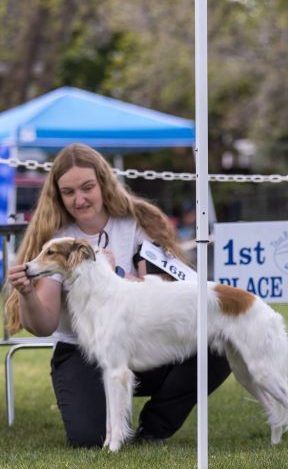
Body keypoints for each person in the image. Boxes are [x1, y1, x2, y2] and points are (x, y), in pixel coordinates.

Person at [4, 143, 231, 448]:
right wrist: (27, 293)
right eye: (69, 192)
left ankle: (153, 428)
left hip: (140, 339)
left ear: (103, 182)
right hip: (81, 352)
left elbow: (169, 286)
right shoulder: (56, 240)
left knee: (218, 349)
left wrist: (119, 275)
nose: (80, 199)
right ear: (58, 194)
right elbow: (43, 326)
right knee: (88, 438)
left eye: (87, 187)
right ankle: (110, 424)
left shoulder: (137, 221)